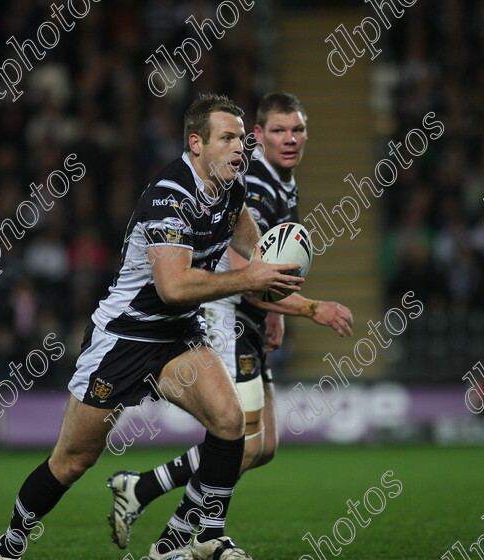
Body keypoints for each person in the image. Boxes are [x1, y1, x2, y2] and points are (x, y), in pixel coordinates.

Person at [0, 94, 304, 560]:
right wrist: (251, 278)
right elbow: (173, 286)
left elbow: (254, 249)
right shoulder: (168, 197)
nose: (241, 147)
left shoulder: (232, 189)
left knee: (229, 420)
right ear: (196, 143)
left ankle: (203, 537)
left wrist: (275, 275)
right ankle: (11, 540)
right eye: (228, 138)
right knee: (73, 461)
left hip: (176, 337)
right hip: (125, 338)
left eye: (242, 138)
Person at [107, 93, 354, 550]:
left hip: (254, 318)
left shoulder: (282, 181)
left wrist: (274, 311)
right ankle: (190, 538)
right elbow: (242, 271)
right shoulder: (252, 187)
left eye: (297, 130)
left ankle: (143, 489)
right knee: (236, 438)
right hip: (228, 317)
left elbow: (268, 262)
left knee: (262, 447)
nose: (290, 139)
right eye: (278, 131)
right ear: (257, 137)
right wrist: (308, 308)